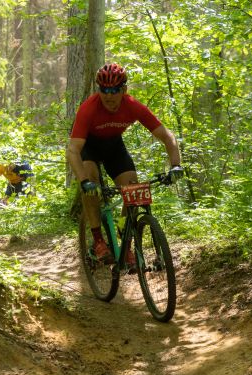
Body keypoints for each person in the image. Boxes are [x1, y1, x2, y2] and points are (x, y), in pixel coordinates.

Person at [66, 63, 184, 264]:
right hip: (89, 147)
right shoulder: (89, 108)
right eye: (104, 90)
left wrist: (175, 165)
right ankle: (98, 241)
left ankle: (125, 240)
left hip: (114, 148)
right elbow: (73, 149)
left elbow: (167, 136)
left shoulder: (132, 105)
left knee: (134, 189)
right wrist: (84, 181)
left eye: (114, 90)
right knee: (90, 183)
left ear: (124, 90)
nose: (108, 95)